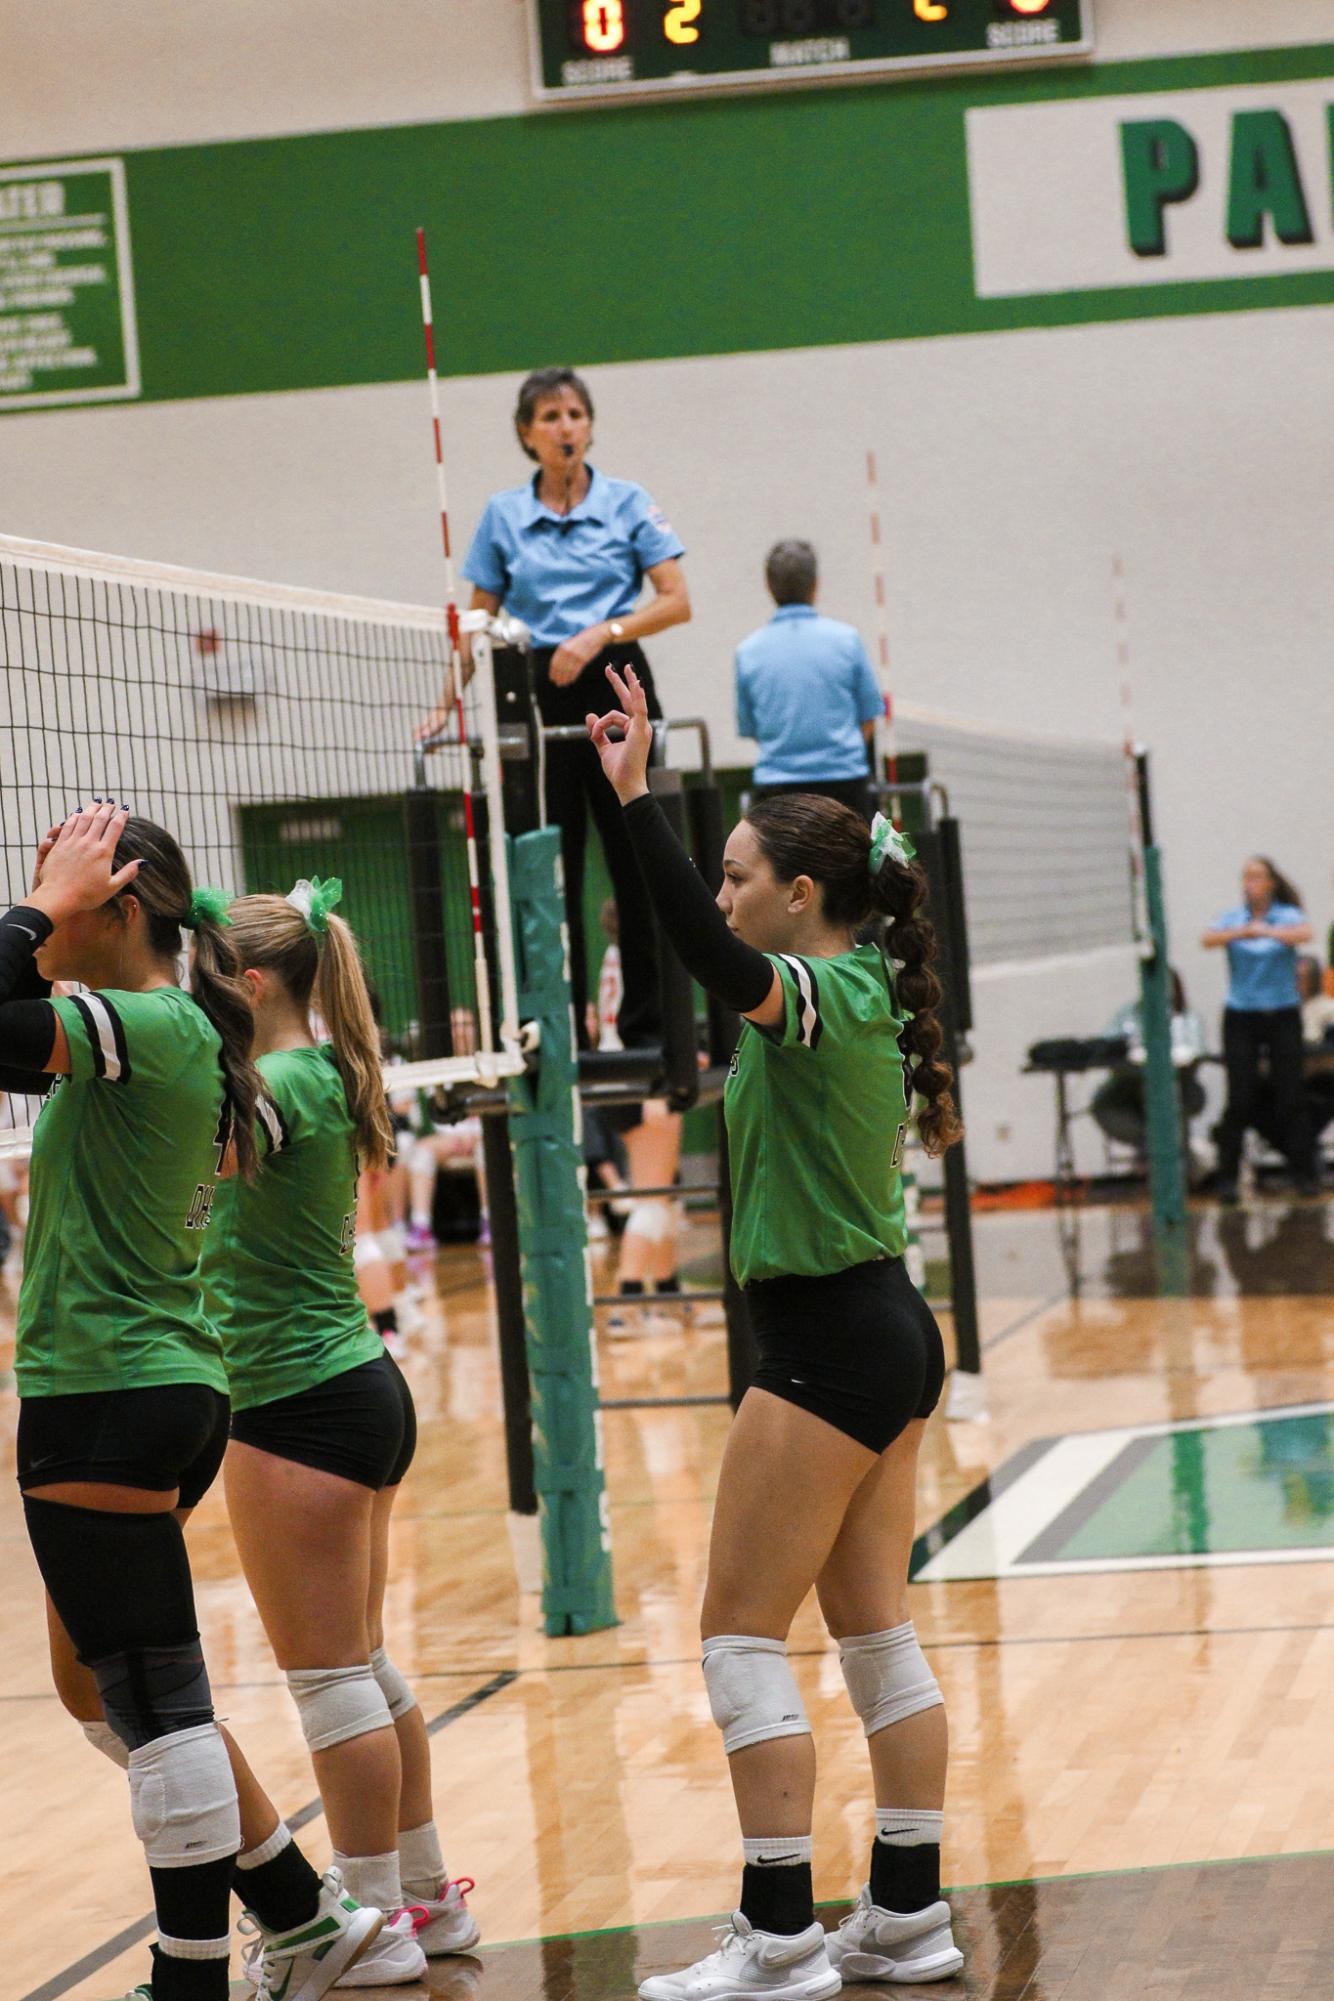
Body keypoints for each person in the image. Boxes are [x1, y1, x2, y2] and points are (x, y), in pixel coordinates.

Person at [589, 667, 966, 1998]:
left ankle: (777, 1939)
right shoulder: (844, 988)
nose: (728, 886)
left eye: (741, 871)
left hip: (827, 1344)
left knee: (740, 1635)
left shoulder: (825, 994)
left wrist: (636, 794)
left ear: (800, 896)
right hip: (878, 1334)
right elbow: (694, 939)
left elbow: (705, 946)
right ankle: (906, 1917)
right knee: (871, 1630)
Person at [3, 804, 381, 2001]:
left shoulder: (151, 1022)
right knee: (95, 1688)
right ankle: (297, 1908)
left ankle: (191, 1976)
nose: (45, 913)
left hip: (109, 1387)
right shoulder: (172, 1027)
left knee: (158, 1703)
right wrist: (53, 909)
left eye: (67, 891)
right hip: (144, 1380)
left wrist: (31, 916)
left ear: (117, 908)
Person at [200, 880, 480, 1988]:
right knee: (361, 1666)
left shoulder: (266, 1088)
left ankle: (365, 1923)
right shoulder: (325, 1068)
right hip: (357, 1383)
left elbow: (188, 1155)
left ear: (251, 982)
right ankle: (419, 1900)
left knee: (330, 1682)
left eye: (208, 973)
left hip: (293, 1403)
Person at [417, 365, 690, 1047]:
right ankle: (558, 1025)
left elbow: (677, 599)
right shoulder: (504, 514)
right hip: (534, 689)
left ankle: (650, 1027)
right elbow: (476, 624)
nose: (564, 426)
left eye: (574, 414)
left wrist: (603, 631)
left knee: (638, 857)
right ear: (526, 433)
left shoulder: (629, 502)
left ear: (590, 427)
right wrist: (447, 705)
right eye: (549, 417)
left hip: (616, 676)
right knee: (548, 862)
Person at [736, 540, 883, 823]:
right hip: (845, 785)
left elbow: (750, 727)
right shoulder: (847, 640)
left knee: (784, 867)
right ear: (816, 584)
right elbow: (869, 716)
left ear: (768, 586)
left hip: (778, 790)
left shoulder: (748, 651)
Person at [1202, 857, 1317, 1201]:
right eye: (1246, 877)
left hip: (1282, 1013)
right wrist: (1243, 931)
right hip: (1242, 1016)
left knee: (1290, 1094)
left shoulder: (1286, 915)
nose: (1250, 882)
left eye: (1257, 876)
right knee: (1240, 1096)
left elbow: (1305, 933)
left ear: (1270, 882)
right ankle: (1227, 1179)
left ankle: (1303, 1173)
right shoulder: (1233, 918)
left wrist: (1267, 930)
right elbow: (1208, 939)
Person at [1090, 969, 1207, 1155]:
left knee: (1162, 1093)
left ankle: (1172, 1155)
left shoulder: (1187, 1018)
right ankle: (1150, 1151)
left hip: (1177, 1084)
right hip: (1129, 1085)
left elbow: (1195, 1051)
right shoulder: (1129, 1014)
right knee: (1123, 1097)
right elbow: (1109, 1045)